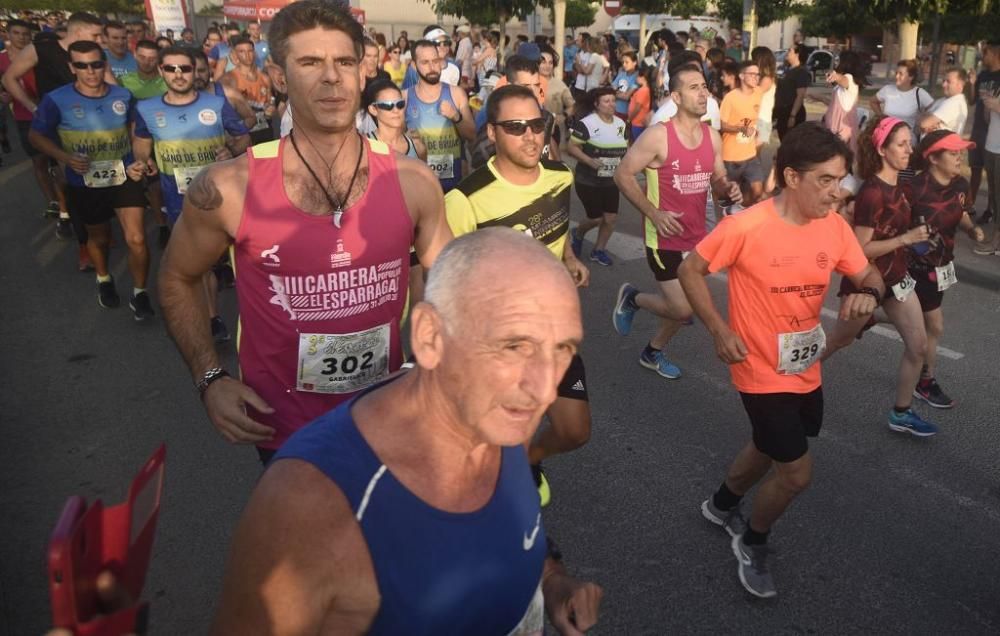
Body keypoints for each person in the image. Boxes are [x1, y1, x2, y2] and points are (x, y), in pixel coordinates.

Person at [210, 228, 602, 634]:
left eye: (563, 348)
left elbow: (514, 521)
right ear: (430, 338)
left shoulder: (500, 415)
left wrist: (551, 580)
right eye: (513, 346)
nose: (543, 391)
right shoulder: (310, 506)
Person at [158, 0, 453, 463]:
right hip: (283, 427)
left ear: (361, 72)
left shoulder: (414, 180)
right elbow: (177, 277)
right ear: (279, 76)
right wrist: (210, 379)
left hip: (388, 413)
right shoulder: (229, 187)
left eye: (345, 62)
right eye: (310, 63)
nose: (332, 77)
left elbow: (449, 281)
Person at [679, 122, 885, 599]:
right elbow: (691, 269)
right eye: (826, 181)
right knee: (795, 473)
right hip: (757, 367)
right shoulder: (745, 226)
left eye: (841, 181)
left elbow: (867, 272)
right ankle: (753, 540)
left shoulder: (833, 228)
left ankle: (721, 504)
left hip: (804, 363)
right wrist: (719, 329)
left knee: (770, 443)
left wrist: (868, 295)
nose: (837, 194)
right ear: (792, 177)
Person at [446, 84, 591, 506]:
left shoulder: (561, 177)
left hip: (553, 333)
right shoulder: (465, 198)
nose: (530, 135)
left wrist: (570, 258)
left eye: (537, 124)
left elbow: (559, 233)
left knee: (574, 430)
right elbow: (449, 280)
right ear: (492, 132)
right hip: (497, 346)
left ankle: (526, 460)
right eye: (515, 127)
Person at [612, 63, 742, 380]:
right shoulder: (659, 137)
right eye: (694, 87)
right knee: (684, 309)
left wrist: (728, 189)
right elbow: (623, 174)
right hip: (664, 238)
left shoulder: (712, 137)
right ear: (676, 96)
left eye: (705, 86)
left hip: (697, 237)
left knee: (684, 306)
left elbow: (718, 180)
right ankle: (633, 298)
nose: (703, 92)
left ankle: (652, 352)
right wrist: (653, 213)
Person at [822, 116, 940, 436]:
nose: (908, 149)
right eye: (901, 144)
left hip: (897, 278)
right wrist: (904, 240)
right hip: (867, 281)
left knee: (917, 346)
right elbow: (859, 251)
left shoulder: (902, 182)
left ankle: (901, 413)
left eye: (909, 142)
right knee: (838, 341)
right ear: (883, 149)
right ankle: (793, 379)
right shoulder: (873, 192)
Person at [132, 46, 250, 342]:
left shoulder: (216, 103)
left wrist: (231, 149)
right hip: (176, 198)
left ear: (193, 70)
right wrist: (142, 162)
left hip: (217, 198)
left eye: (184, 68)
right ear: (161, 71)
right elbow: (142, 147)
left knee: (213, 261)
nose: (178, 74)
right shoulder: (147, 109)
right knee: (198, 262)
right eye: (170, 69)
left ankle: (215, 316)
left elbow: (242, 136)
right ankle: (210, 317)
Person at [29, 41, 153, 318]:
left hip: (124, 175)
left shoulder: (122, 95)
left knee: (137, 238)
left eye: (96, 64)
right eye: (82, 65)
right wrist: (64, 156)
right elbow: (35, 136)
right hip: (85, 179)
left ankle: (140, 294)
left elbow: (137, 133)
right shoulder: (57, 99)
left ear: (104, 65)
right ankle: (104, 278)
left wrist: (139, 161)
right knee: (99, 237)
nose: (91, 71)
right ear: (72, 67)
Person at [2, 11, 106, 248]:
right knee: (69, 178)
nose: (101, 40)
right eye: (96, 35)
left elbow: (111, 85)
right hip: (58, 126)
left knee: (92, 176)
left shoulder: (96, 54)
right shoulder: (41, 49)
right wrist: (32, 107)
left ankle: (93, 228)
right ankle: (82, 238)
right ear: (78, 31)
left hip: (91, 125)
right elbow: (9, 78)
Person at [904, 130, 985, 408]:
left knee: (919, 322)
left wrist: (972, 229)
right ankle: (926, 382)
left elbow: (960, 211)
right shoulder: (914, 188)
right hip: (915, 266)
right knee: (934, 325)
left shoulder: (961, 184)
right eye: (953, 152)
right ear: (934, 158)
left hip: (942, 265)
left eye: (960, 151)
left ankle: (870, 316)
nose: (959, 156)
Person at [0, 19, 62, 221]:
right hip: (24, 116)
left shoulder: (39, 55)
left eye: (25, 34)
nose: (21, 37)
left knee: (58, 160)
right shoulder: (1, 60)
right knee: (39, 160)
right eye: (16, 33)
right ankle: (52, 201)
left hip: (49, 113)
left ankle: (65, 203)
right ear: (7, 34)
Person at [404, 38, 474, 193]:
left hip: (454, 185)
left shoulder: (456, 94)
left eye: (435, 61)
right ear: (414, 66)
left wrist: (456, 116)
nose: (432, 67)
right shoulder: (405, 98)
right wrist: (406, 139)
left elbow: (471, 135)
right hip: (419, 185)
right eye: (425, 62)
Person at [567, 87, 627, 266]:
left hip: (610, 179)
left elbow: (626, 148)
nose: (611, 105)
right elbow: (571, 147)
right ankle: (578, 233)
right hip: (588, 179)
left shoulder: (620, 124)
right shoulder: (587, 124)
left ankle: (598, 250)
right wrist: (589, 160)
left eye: (613, 101)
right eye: (606, 101)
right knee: (596, 218)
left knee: (610, 218)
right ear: (597, 104)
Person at [720, 60, 764, 204]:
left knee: (758, 191)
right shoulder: (730, 98)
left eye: (758, 75)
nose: (756, 77)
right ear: (741, 76)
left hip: (750, 154)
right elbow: (721, 124)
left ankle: (745, 215)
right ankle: (735, 215)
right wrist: (740, 129)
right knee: (730, 196)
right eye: (752, 74)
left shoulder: (759, 93)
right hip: (731, 157)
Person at [968, 42, 1000, 224]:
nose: (983, 57)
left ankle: (990, 210)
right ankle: (969, 205)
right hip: (978, 129)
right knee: (975, 168)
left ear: (995, 54)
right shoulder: (983, 75)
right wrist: (972, 84)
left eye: (985, 53)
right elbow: (972, 100)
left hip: (994, 133)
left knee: (993, 175)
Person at [222, 37, 274, 145]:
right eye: (242, 51)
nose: (247, 55)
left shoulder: (265, 78)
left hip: (264, 129)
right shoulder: (229, 79)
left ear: (254, 53)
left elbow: (270, 102)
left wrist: (271, 110)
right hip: (243, 133)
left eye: (250, 51)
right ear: (235, 54)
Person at [870, 59, 931, 147]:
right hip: (886, 137)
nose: (897, 76)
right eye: (896, 73)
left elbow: (934, 110)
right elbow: (873, 101)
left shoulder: (920, 93)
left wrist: (924, 123)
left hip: (907, 141)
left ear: (911, 77)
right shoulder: (887, 89)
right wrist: (881, 116)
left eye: (901, 74)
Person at [821, 49, 867, 153]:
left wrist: (835, 76)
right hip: (834, 127)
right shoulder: (843, 86)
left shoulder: (849, 79)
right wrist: (819, 98)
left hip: (841, 129)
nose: (837, 62)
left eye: (839, 60)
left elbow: (842, 79)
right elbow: (837, 104)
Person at [774, 44, 812, 141]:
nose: (787, 53)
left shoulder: (801, 72)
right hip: (781, 111)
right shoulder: (786, 69)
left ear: (797, 54)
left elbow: (800, 95)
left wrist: (792, 115)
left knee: (790, 142)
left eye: (790, 51)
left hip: (791, 111)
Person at [919, 67, 970, 136]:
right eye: (943, 81)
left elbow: (923, 124)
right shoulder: (944, 100)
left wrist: (927, 118)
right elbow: (921, 121)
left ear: (960, 84)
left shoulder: (954, 103)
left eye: (948, 82)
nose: (943, 85)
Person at [540, 45, 573, 144]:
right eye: (543, 62)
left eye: (550, 63)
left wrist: (563, 115)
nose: (547, 66)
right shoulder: (528, 82)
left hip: (554, 133)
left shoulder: (559, 85)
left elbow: (572, 106)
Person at [751, 46, 776, 150]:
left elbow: (755, 94)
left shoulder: (767, 79)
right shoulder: (761, 77)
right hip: (756, 120)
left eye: (753, 59)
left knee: (753, 154)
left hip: (762, 121)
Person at [627, 63, 654, 142]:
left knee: (637, 143)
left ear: (643, 77)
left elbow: (637, 107)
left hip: (638, 122)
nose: (636, 78)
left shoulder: (643, 91)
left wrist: (629, 119)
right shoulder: (645, 89)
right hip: (639, 122)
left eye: (638, 76)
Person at [612, 50, 638, 120]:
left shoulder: (637, 77)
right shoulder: (621, 73)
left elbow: (626, 97)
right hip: (614, 109)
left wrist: (616, 93)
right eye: (623, 62)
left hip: (625, 112)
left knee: (620, 130)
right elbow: (612, 89)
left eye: (627, 62)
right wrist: (622, 93)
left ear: (634, 62)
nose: (624, 64)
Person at [454, 23, 473, 89]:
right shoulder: (468, 42)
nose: (458, 34)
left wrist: (455, 69)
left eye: (459, 33)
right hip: (466, 70)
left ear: (462, 33)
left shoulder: (464, 42)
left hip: (463, 71)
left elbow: (460, 59)